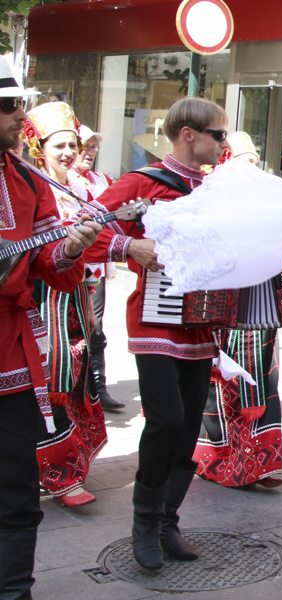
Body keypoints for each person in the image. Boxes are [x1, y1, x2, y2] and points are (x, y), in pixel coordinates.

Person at [82, 97, 230, 570]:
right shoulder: (143, 183)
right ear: (189, 134)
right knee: (165, 419)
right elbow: (84, 227)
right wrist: (129, 244)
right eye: (218, 135)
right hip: (154, 318)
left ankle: (167, 520)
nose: (223, 144)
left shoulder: (215, 191)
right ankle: (144, 523)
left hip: (201, 323)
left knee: (187, 426)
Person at [0, 61, 102, 599]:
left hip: (11, 357)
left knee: (16, 489)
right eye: (9, 106)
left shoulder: (24, 177)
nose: (21, 116)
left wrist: (71, 245)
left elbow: (46, 259)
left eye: (20, 105)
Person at [21, 101, 112, 509]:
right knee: (48, 383)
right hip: (41, 303)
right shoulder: (30, 186)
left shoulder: (75, 188)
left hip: (72, 298)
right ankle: (61, 476)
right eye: (58, 145)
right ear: (39, 147)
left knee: (74, 380)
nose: (67, 153)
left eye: (72, 144)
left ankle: (66, 466)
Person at [193, 131, 282, 489]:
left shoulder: (268, 201)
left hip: (258, 310)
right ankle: (217, 459)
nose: (251, 169)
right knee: (220, 384)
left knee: (264, 379)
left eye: (254, 162)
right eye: (243, 161)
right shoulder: (206, 200)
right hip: (220, 308)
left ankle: (261, 464)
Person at [68, 124, 126, 412]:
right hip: (68, 263)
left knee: (95, 326)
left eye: (93, 147)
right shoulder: (62, 180)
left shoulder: (102, 179)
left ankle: (98, 387)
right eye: (85, 146)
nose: (89, 152)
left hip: (94, 266)